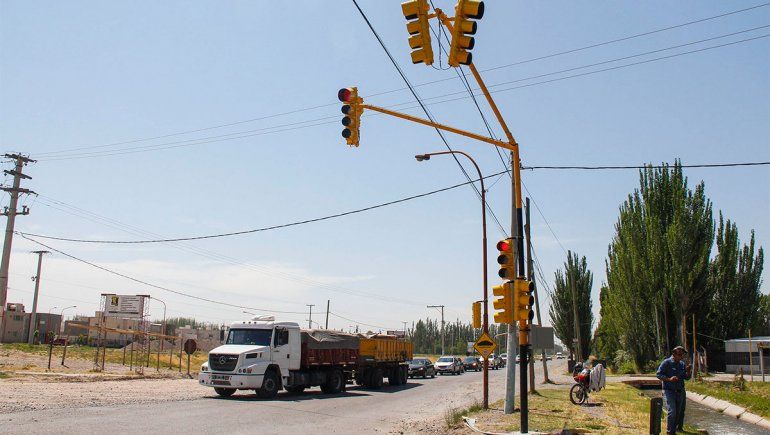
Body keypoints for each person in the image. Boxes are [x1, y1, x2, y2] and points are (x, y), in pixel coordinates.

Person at [656, 346, 692, 434]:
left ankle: (676, 429)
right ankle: (669, 432)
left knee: (679, 412)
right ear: (674, 354)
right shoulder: (666, 363)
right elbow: (659, 375)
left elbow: (686, 378)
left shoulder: (682, 364)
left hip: (680, 391)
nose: (681, 357)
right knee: (672, 411)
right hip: (669, 391)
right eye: (679, 355)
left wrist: (688, 371)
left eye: (682, 355)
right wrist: (669, 379)